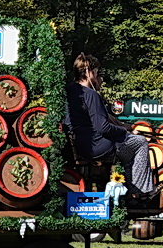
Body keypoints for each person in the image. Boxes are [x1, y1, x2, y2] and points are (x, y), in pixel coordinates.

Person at [64, 55, 155, 196]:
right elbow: (103, 127)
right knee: (140, 142)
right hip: (97, 146)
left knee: (129, 148)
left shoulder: (68, 91)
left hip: (79, 144)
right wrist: (125, 133)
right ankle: (141, 192)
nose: (97, 75)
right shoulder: (91, 95)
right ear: (89, 72)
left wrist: (125, 128)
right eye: (96, 71)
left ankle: (131, 190)